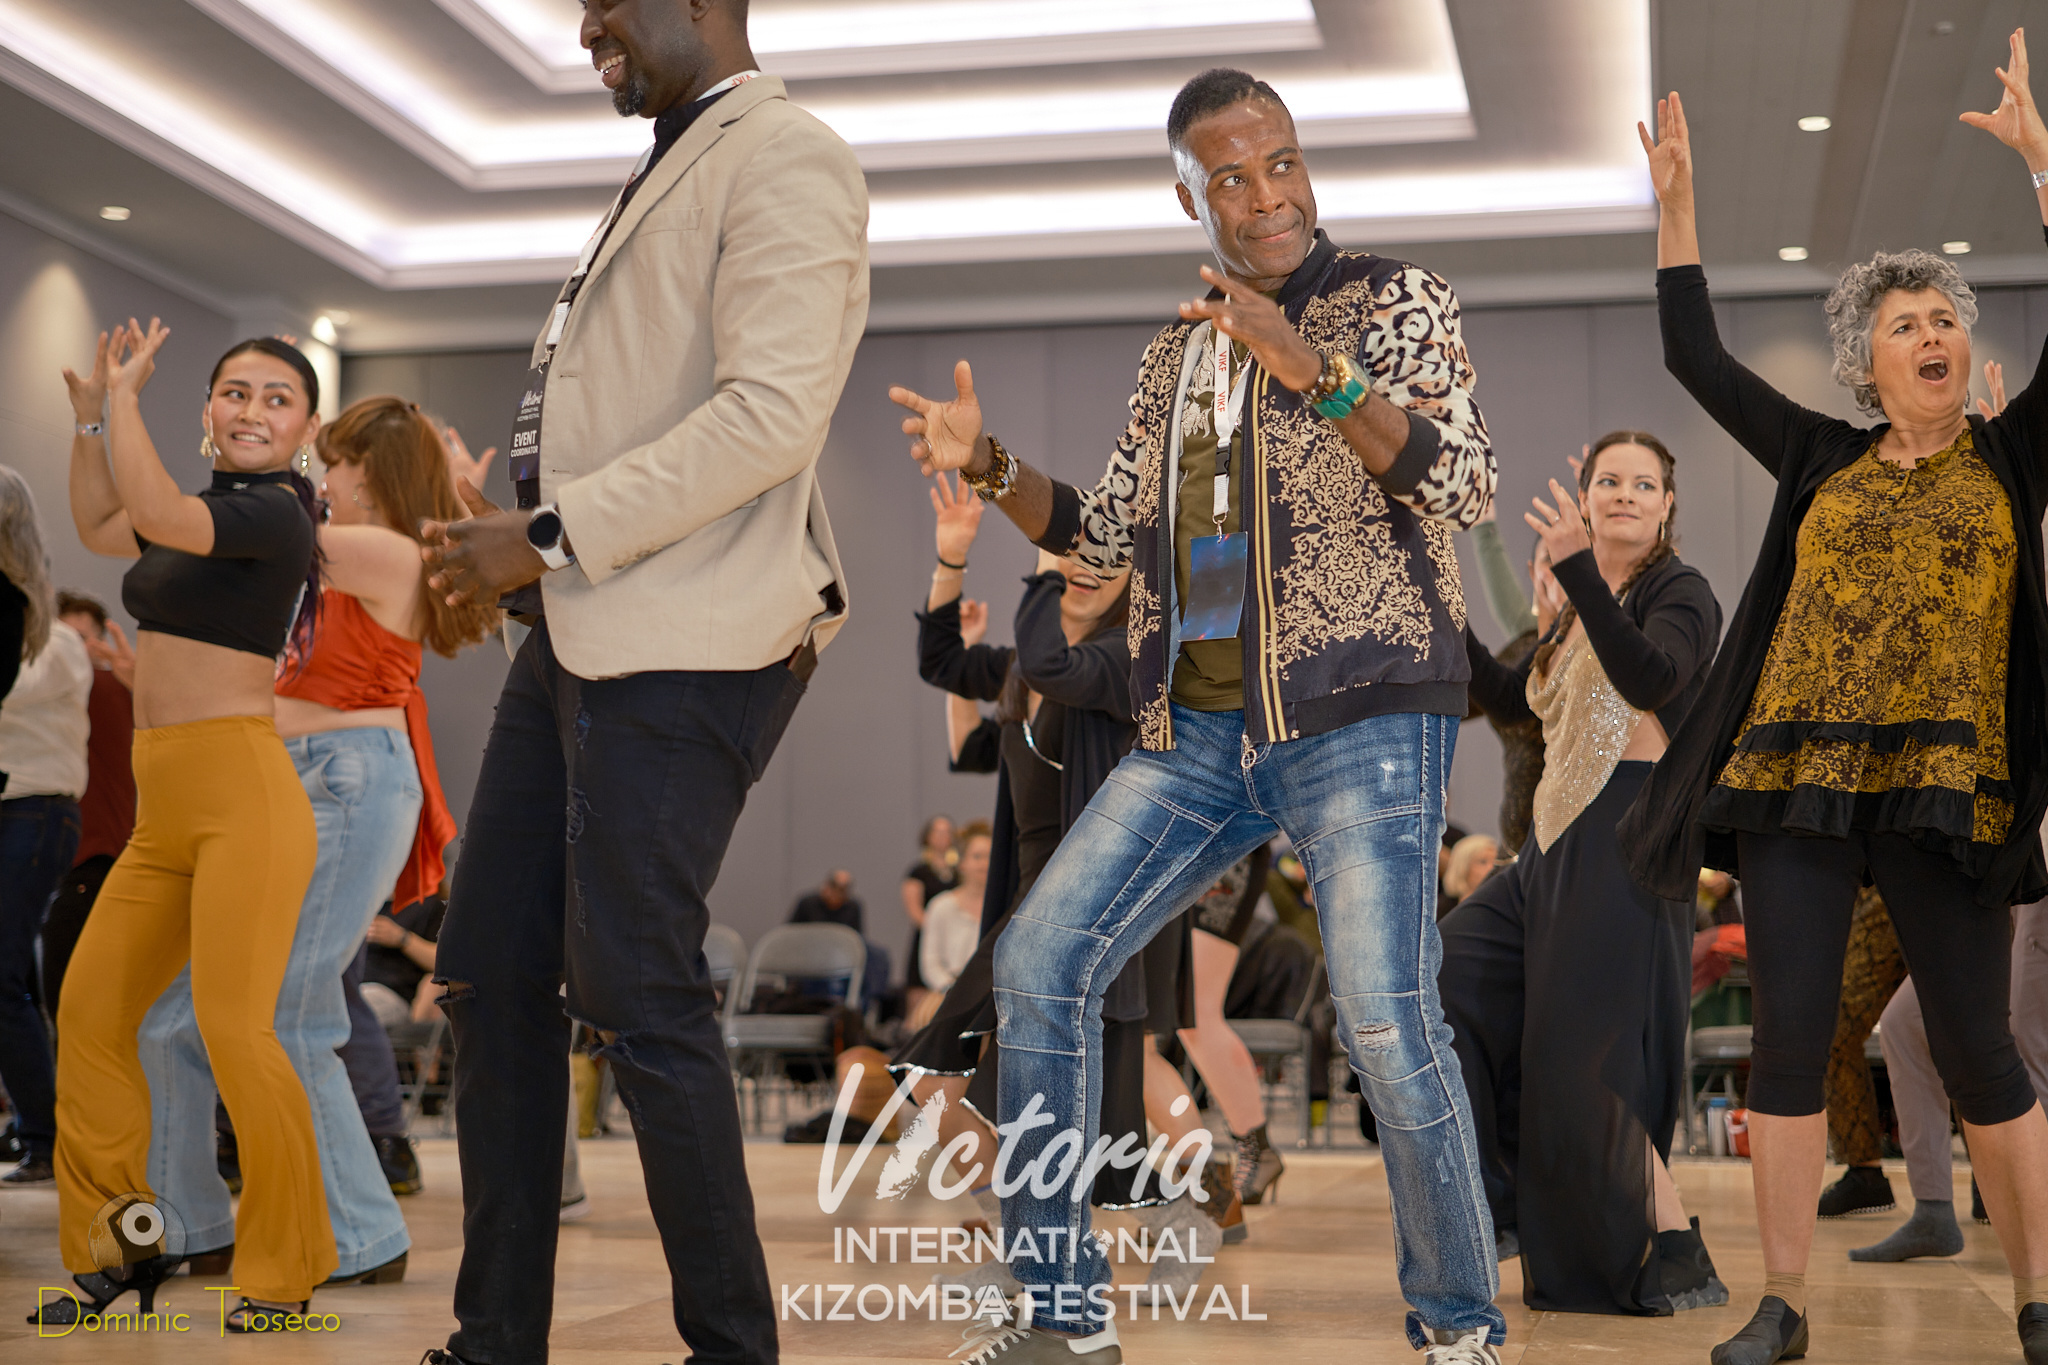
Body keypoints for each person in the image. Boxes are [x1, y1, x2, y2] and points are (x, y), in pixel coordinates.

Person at [890, 66, 1504, 1365]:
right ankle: (1059, 1318)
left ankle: (1458, 1326)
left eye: (1282, 162)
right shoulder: (1175, 356)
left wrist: (1315, 372)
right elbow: (1106, 537)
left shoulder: (1392, 297)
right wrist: (985, 463)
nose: (1267, 194)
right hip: (1202, 728)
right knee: (1038, 959)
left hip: (1360, 709)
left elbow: (1459, 483)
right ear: (1191, 197)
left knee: (1387, 1018)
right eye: (1232, 176)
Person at [412, 0, 867, 1358]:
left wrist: (545, 533)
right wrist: (520, 543)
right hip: (577, 627)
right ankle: (495, 1340)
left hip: (691, 634)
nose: (585, 26)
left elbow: (771, 412)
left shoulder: (786, 152)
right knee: (488, 971)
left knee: (633, 984)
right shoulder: (670, 157)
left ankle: (731, 1346)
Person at [1623, 40, 2048, 1365]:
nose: (1931, 334)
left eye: (1945, 318)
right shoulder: (1818, 453)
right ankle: (1782, 1304)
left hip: (1950, 787)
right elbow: (1693, 354)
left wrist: (2044, 170)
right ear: (1866, 361)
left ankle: (2038, 1299)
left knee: (1978, 1050)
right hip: (1796, 779)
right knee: (1789, 1044)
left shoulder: (2012, 455)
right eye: (1903, 322)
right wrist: (1677, 209)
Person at [135, 395, 497, 1288]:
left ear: (368, 472)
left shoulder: (384, 549)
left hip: (347, 781)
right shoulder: (366, 545)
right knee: (177, 1014)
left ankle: (364, 1233)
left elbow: (244, 537)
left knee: (294, 1014)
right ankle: (189, 1224)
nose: (321, 475)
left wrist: (246, 443)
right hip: (290, 779)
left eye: (331, 459)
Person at [49, 324, 330, 1330]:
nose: (251, 410)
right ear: (209, 410)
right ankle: (115, 1250)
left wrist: (127, 399)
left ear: (306, 428)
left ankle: (283, 1273)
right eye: (234, 392)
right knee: (89, 1012)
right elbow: (100, 521)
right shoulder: (203, 514)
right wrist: (93, 418)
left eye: (276, 397)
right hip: (162, 811)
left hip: (242, 797)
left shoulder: (278, 513)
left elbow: (154, 506)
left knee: (234, 1031)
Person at [894, 473, 1224, 1298]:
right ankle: (1045, 1241)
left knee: (1104, 1089)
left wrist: (1045, 561)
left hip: (1103, 899)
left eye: (1100, 557)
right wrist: (951, 558)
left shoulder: (1125, 663)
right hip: (1032, 905)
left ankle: (1164, 1219)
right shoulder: (1022, 668)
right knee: (949, 1079)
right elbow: (940, 661)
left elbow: (1054, 658)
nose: (1081, 565)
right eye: (1072, 553)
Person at [1439, 432, 1724, 1316]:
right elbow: (1511, 696)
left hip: (1624, 836)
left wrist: (1578, 575)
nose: (1626, 493)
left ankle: (1674, 1246)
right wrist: (1436, 594)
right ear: (1586, 495)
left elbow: (1652, 675)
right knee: (1445, 977)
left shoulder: (1680, 591)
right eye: (1610, 480)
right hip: (1550, 842)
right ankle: (1498, 1204)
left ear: (1668, 504)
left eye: (1645, 482)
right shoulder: (1569, 608)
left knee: (1585, 1058)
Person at [0, 471, 87, 1188]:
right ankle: (37, 1125)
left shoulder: (56, 643)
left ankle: (46, 1133)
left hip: (36, 813)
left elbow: (14, 690)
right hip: (14, 812)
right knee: (13, 979)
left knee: (2, 978)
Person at [37, 592, 136, 1030]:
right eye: (64, 639)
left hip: (96, 866)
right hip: (74, 867)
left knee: (72, 1013)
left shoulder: (106, 690)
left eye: (82, 639)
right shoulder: (61, 704)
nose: (73, 651)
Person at [918, 825, 988, 997]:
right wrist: (953, 991)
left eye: (990, 856)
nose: (985, 864)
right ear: (962, 862)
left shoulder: (1008, 907)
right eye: (977, 857)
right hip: (949, 994)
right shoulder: (941, 906)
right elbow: (931, 964)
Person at [901, 815, 957, 1012]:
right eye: (938, 832)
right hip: (927, 937)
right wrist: (936, 933)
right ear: (928, 837)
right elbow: (915, 910)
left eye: (947, 832)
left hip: (954, 939)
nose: (943, 836)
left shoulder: (958, 871)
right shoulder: (919, 871)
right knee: (918, 999)